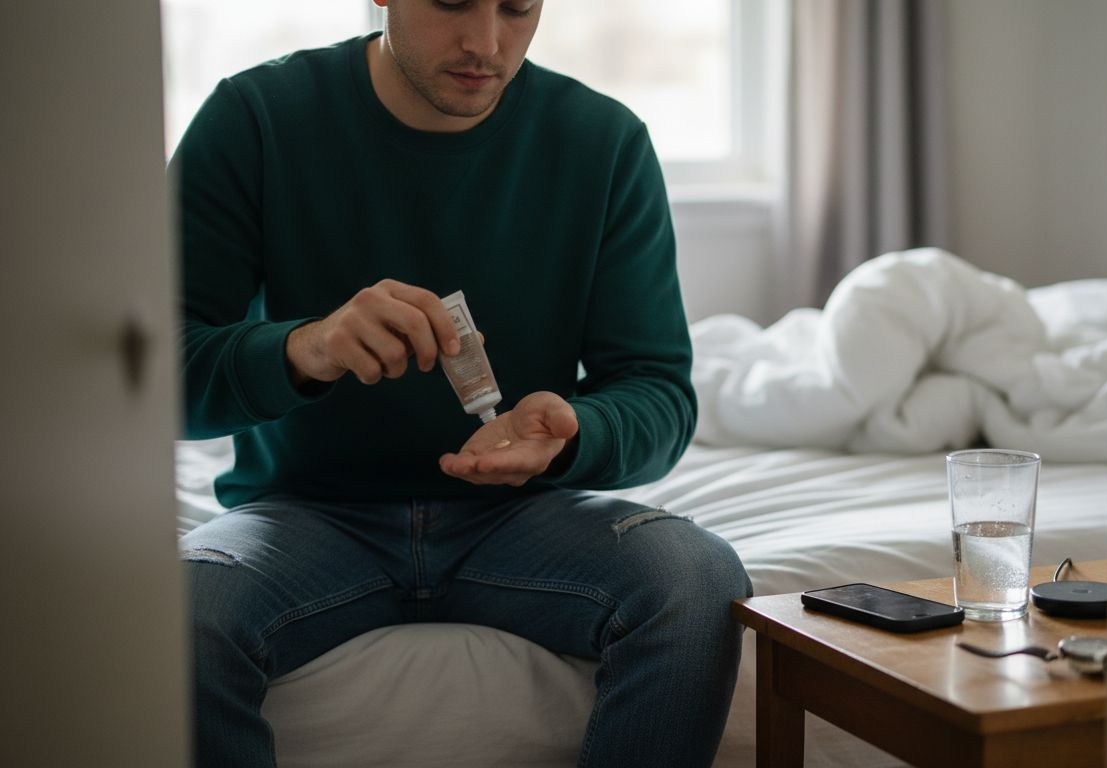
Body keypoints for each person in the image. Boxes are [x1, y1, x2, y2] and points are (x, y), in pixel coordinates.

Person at [172, 1, 752, 765]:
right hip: (303, 517)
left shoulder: (602, 143)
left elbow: (659, 394)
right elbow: (155, 380)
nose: (486, 43)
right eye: (452, 1)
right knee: (177, 616)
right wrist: (303, 349)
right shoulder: (255, 120)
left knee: (697, 581)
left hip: (522, 519)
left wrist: (574, 434)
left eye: (517, 8)